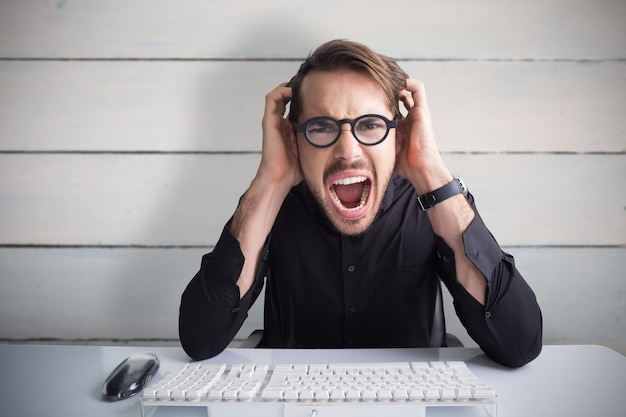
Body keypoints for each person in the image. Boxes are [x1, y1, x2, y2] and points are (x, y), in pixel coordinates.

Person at [179, 39, 542, 368]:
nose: (348, 152)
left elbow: (520, 345)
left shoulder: (432, 207)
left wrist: (432, 174)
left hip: (409, 399)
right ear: (296, 140)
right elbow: (200, 340)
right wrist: (269, 182)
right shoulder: (275, 207)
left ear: (397, 137)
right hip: (294, 400)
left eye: (370, 125)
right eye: (322, 127)